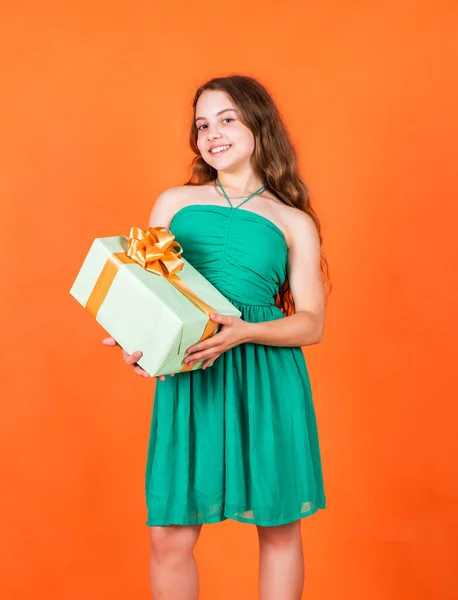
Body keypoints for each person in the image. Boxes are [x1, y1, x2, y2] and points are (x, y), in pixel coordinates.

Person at [103, 74, 329, 600]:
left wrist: (246, 331)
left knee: (278, 527)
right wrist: (138, 345)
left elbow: (312, 322)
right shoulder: (173, 203)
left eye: (227, 119)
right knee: (169, 536)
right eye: (204, 124)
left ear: (258, 123)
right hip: (192, 374)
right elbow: (148, 296)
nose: (213, 133)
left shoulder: (293, 220)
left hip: (266, 376)